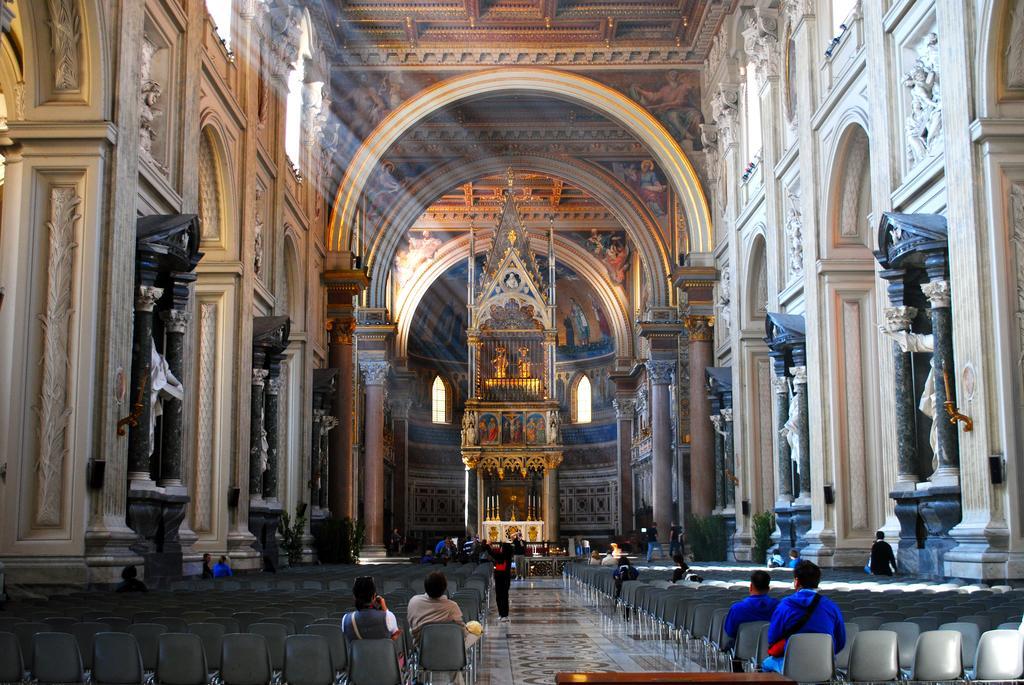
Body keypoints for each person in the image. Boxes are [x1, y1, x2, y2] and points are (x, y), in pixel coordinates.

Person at [761, 561, 845, 674]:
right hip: (824, 666)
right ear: (817, 581)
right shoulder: (831, 606)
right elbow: (840, 642)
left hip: (792, 665)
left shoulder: (784, 606)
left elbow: (772, 639)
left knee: (765, 664)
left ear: (796, 581)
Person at [724, 571, 779, 671]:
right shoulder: (778, 607)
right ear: (768, 589)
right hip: (769, 649)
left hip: (743, 649)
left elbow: (730, 632)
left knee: (730, 643)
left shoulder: (737, 608)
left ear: (750, 587)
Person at [341, 576, 402, 643]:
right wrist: (385, 609)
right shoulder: (388, 617)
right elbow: (395, 634)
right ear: (374, 596)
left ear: (354, 596)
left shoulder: (345, 619)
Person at [488, 541, 514, 622]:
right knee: (498, 597)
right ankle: (500, 614)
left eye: (502, 547)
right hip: (498, 578)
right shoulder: (501, 555)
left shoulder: (506, 556)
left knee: (504, 597)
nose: (500, 548)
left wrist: (489, 547)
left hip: (504, 579)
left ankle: (505, 615)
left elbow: (494, 555)